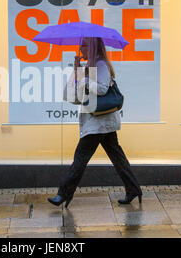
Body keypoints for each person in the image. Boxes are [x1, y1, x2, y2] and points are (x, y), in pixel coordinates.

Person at [47, 37, 142, 208]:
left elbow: (103, 88)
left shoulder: (101, 65)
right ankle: (133, 189)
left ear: (90, 47)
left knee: (80, 159)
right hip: (100, 122)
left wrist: (83, 79)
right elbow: (74, 98)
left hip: (98, 123)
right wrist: (76, 71)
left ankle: (63, 194)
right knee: (117, 157)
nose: (79, 49)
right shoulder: (89, 67)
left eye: (82, 46)